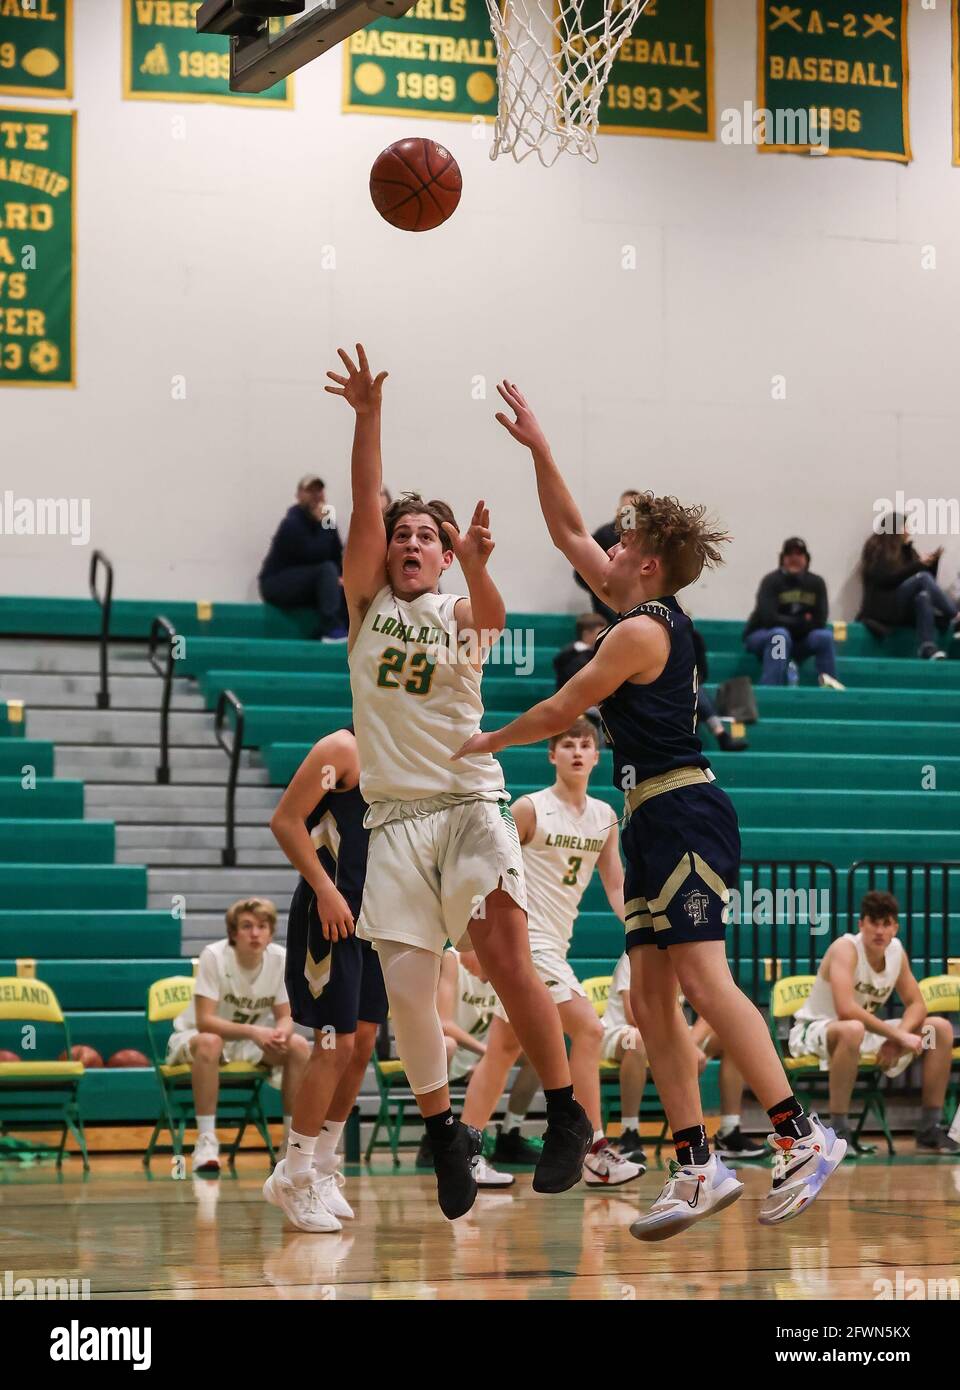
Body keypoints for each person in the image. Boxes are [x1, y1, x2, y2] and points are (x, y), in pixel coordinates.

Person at [455, 380, 847, 1241]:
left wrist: (488, 741)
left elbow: (563, 711)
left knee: (703, 980)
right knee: (648, 1003)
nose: (610, 541)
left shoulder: (642, 630)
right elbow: (565, 530)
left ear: (650, 564)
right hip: (652, 818)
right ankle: (698, 1164)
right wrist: (538, 445)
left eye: (625, 537)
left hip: (683, 810)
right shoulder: (634, 605)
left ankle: (802, 1135)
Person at [325, 343, 591, 1221]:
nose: (409, 542)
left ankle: (565, 1115)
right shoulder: (367, 607)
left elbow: (497, 614)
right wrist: (368, 418)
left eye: (425, 538)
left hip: (469, 801)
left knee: (507, 951)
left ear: (442, 559)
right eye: (402, 535)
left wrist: (477, 559)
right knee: (408, 988)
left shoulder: (455, 607)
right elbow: (366, 501)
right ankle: (446, 1136)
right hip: (394, 816)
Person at [460, 720, 642, 1187]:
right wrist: (471, 941)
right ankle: (594, 1147)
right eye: (567, 744)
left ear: (598, 757)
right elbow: (485, 868)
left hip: (554, 942)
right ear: (552, 756)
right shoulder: (529, 808)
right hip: (528, 940)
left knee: (502, 1048)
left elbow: (616, 882)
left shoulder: (604, 815)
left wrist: (639, 924)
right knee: (589, 1027)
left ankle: (464, 1151)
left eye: (586, 745)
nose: (578, 751)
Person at [261, 727, 389, 1232]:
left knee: (362, 1049)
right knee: (333, 1046)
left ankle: (323, 1167)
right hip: (330, 913)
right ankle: (292, 1175)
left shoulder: (406, 751)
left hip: (379, 919)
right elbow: (286, 820)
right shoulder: (342, 748)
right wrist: (325, 888)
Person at [789, 890, 959, 1156]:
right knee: (852, 1028)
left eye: (886, 923)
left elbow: (917, 1004)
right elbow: (846, 1010)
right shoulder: (845, 948)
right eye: (873, 922)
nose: (879, 930)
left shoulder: (896, 952)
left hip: (864, 1033)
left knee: (939, 1030)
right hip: (816, 1031)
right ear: (861, 924)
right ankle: (840, 1131)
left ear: (895, 927)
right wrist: (900, 1036)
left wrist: (897, 1037)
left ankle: (929, 1127)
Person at [165, 898, 310, 1176]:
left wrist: (282, 1031)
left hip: (247, 1042)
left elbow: (285, 1014)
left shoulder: (280, 959)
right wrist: (254, 1031)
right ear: (233, 933)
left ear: (270, 932)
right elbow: (205, 1021)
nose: (255, 933)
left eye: (262, 926)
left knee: (299, 1046)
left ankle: (291, 1145)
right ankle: (206, 1142)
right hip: (195, 1036)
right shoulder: (214, 956)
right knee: (211, 1041)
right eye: (247, 926)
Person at [603, 954, 765, 1164]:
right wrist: (684, 1047)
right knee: (638, 1041)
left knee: (731, 1037)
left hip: (669, 1032)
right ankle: (629, 1132)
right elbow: (635, 1015)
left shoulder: (688, 953)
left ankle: (729, 1131)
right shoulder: (634, 955)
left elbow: (713, 1008)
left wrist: (689, 1045)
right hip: (623, 1031)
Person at [414, 946, 516, 1188]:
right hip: (456, 1050)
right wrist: (488, 1054)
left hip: (484, 1053)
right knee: (447, 1045)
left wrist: (489, 1057)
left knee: (533, 1051)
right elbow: (445, 1024)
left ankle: (513, 1133)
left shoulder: (508, 962)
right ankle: (438, 1130)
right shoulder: (453, 959)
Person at [259, 475, 349, 641]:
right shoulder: (292, 522)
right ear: (299, 495)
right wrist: (323, 524)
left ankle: (340, 631)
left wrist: (343, 579)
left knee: (343, 581)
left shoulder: (327, 521)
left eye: (319, 490)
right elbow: (315, 554)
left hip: (309, 584)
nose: (316, 495)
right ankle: (332, 628)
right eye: (310, 491)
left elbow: (337, 555)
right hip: (277, 583)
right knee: (327, 570)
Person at [743, 538, 843, 687]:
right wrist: (803, 621)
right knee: (780, 636)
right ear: (782, 559)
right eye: (790, 554)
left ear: (806, 559)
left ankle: (830, 688)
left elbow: (820, 621)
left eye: (799, 554)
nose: (794, 558)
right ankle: (771, 690)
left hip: (800, 639)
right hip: (762, 634)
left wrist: (785, 621)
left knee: (825, 637)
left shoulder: (816, 583)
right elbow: (769, 619)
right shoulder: (771, 581)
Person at [858, 516, 958, 660]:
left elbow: (927, 584)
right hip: (884, 606)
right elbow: (885, 579)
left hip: (906, 609)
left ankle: (927, 647)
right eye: (905, 526)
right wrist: (919, 566)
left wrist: (931, 564)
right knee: (922, 578)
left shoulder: (908, 551)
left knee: (923, 596)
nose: (908, 531)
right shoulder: (877, 547)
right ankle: (955, 616)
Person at [573, 491, 640, 623]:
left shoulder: (647, 537)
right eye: (627, 510)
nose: (630, 515)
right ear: (618, 511)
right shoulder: (604, 535)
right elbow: (580, 572)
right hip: (607, 609)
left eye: (635, 510)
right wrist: (601, 589)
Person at [690, 622, 748, 752]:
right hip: (665, 689)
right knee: (695, 692)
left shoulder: (693, 638)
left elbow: (702, 672)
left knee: (694, 690)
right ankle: (721, 735)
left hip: (688, 689)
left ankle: (720, 735)